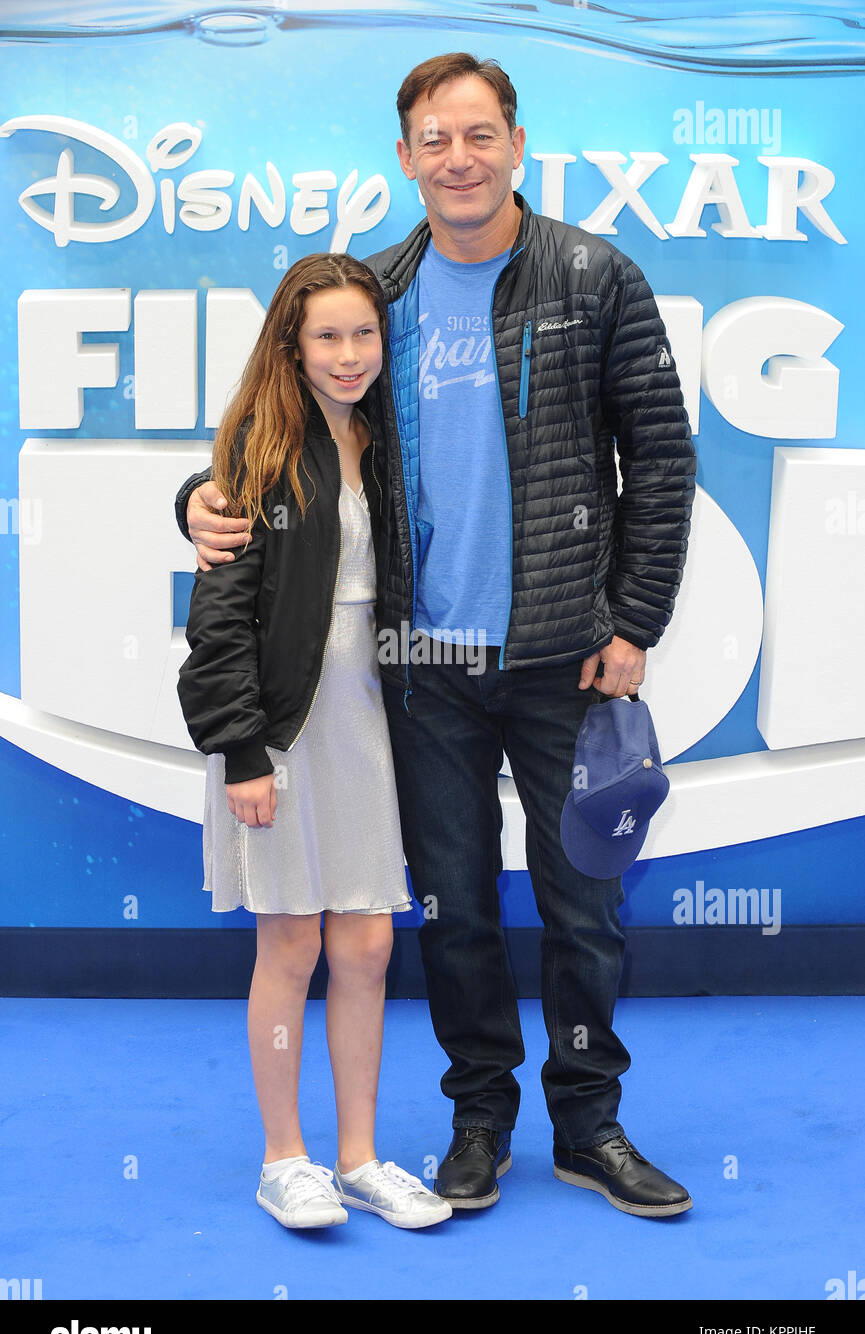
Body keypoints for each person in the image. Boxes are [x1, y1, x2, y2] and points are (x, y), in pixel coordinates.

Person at [175, 53, 698, 1219]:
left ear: (516, 143)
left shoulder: (594, 276)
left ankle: (588, 1124)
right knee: (452, 910)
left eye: (478, 135)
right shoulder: (384, 288)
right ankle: (479, 1123)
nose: (457, 158)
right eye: (433, 139)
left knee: (582, 906)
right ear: (405, 156)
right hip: (419, 673)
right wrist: (198, 501)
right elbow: (289, 442)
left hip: (567, 654)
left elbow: (659, 459)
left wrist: (634, 620)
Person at [176, 252, 452, 1232]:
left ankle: (360, 1157)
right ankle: (283, 1158)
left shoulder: (377, 442)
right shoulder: (260, 448)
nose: (348, 354)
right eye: (327, 336)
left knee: (368, 943)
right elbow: (218, 623)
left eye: (364, 334)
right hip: (278, 735)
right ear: (291, 347)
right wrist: (240, 750)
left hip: (364, 732)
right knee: (290, 941)